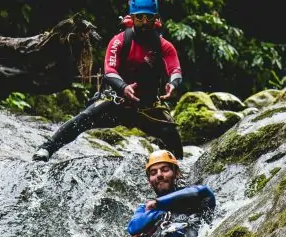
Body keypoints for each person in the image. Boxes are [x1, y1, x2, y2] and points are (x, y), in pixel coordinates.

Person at [32, 0, 184, 162]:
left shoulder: (164, 46)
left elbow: (175, 70)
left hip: (147, 107)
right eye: (140, 17)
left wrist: (173, 83)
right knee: (84, 118)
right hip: (117, 102)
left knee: (170, 133)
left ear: (156, 18)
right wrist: (124, 87)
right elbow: (109, 71)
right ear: (132, 17)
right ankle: (47, 148)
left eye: (149, 17)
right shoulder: (119, 41)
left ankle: (177, 168)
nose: (145, 22)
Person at [103, 150, 216, 237]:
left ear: (177, 173)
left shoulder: (192, 194)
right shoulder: (145, 208)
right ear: (150, 181)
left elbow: (204, 192)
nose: (159, 175)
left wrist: (159, 203)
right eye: (153, 172)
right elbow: (133, 227)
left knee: (168, 233)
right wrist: (157, 211)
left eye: (165, 169)